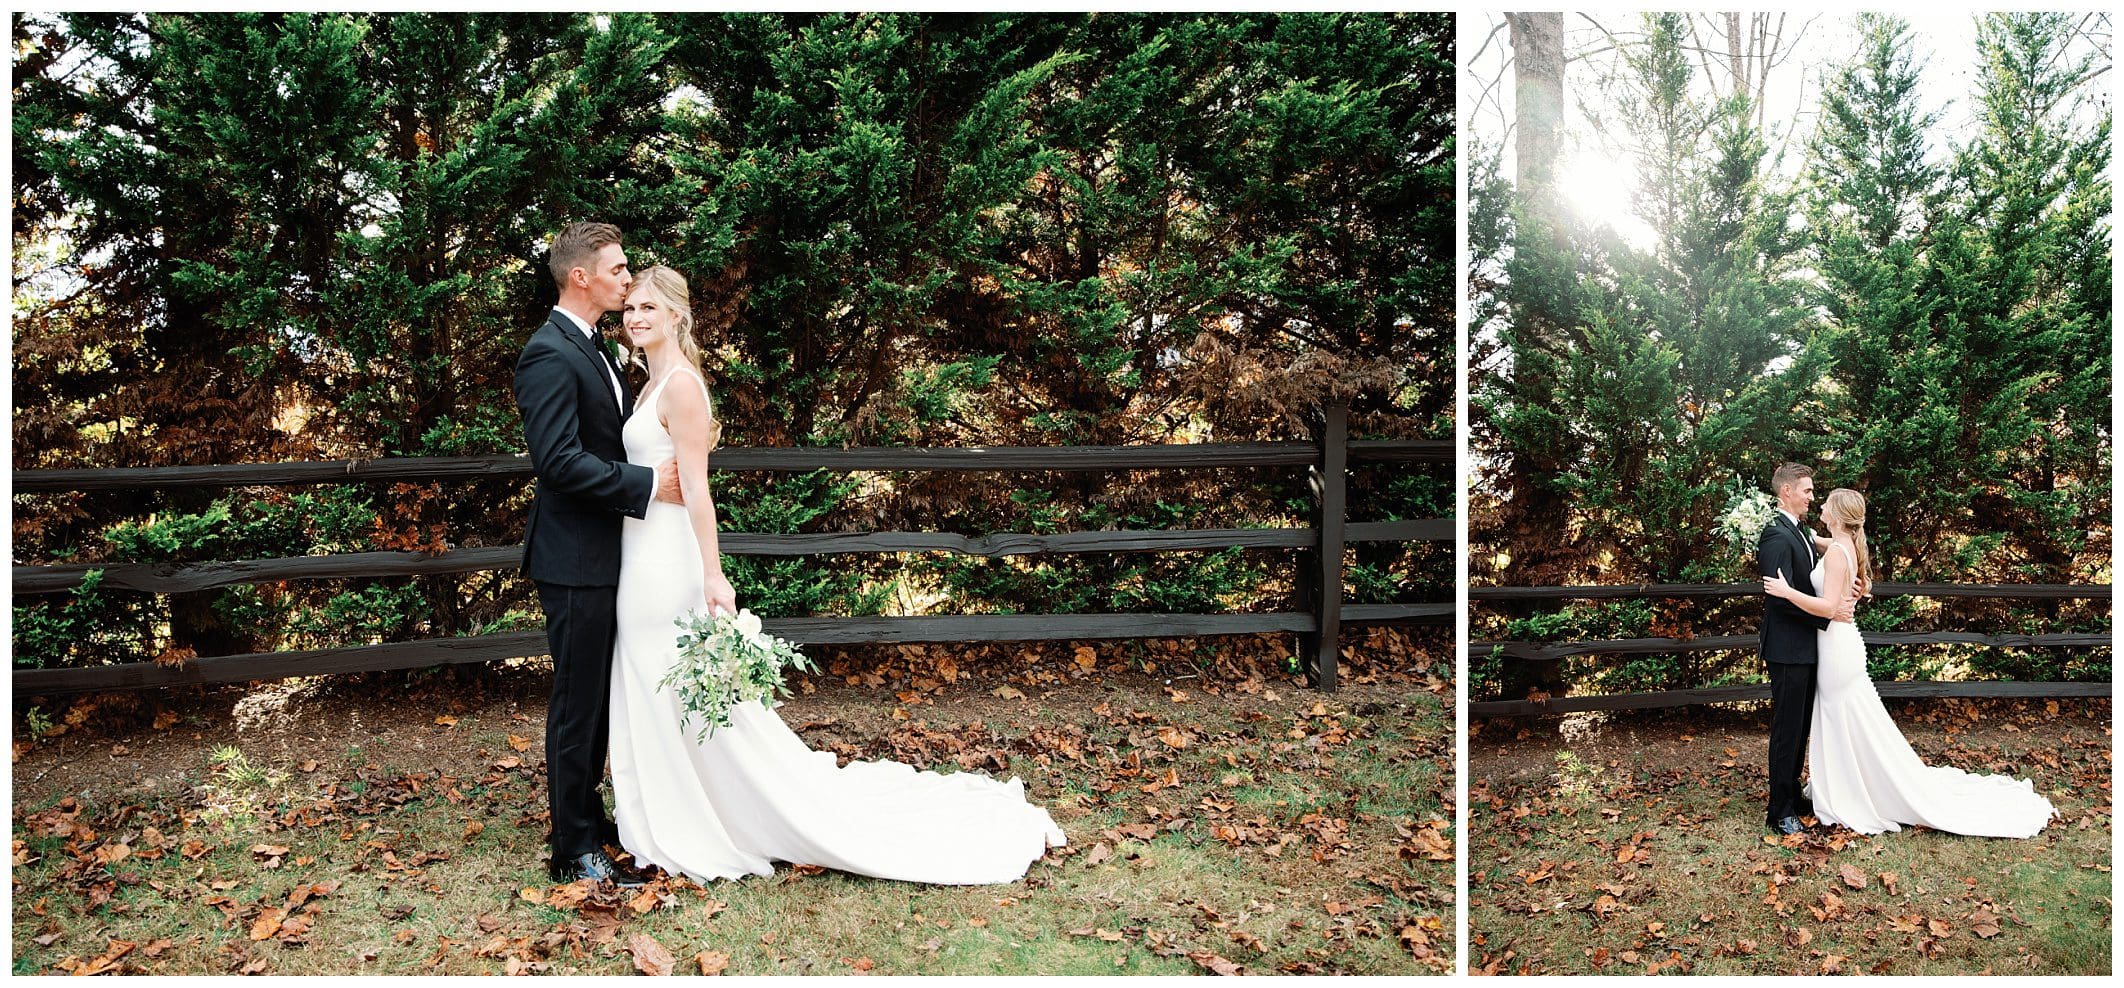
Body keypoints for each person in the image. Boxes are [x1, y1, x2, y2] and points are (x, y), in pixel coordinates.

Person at [606, 266, 1066, 885]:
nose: (635, 318)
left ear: (677, 317)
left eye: (648, 309)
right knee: (653, 691)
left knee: (670, 690)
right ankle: (678, 812)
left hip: (666, 565)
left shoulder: (681, 387)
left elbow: (699, 493)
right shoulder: (646, 384)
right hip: (636, 556)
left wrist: (713, 575)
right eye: (630, 307)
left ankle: (701, 821)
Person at [513, 222, 681, 885]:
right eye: (615, 269)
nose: (625, 277)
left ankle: (588, 819)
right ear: (579, 276)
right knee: (576, 704)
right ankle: (572, 850)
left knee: (598, 699)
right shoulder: (548, 353)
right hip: (573, 558)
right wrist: (646, 485)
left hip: (607, 554)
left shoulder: (596, 349)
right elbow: (556, 463)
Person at [1765, 488, 2054, 837]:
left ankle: (1856, 792)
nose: (1820, 504)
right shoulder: (1841, 545)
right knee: (1847, 720)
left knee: (1845, 718)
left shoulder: (1840, 553)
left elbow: (1828, 608)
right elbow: (1814, 542)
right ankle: (1848, 788)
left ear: (1838, 517)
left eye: (1826, 502)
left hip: (1836, 648)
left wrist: (1787, 591)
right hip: (1836, 645)